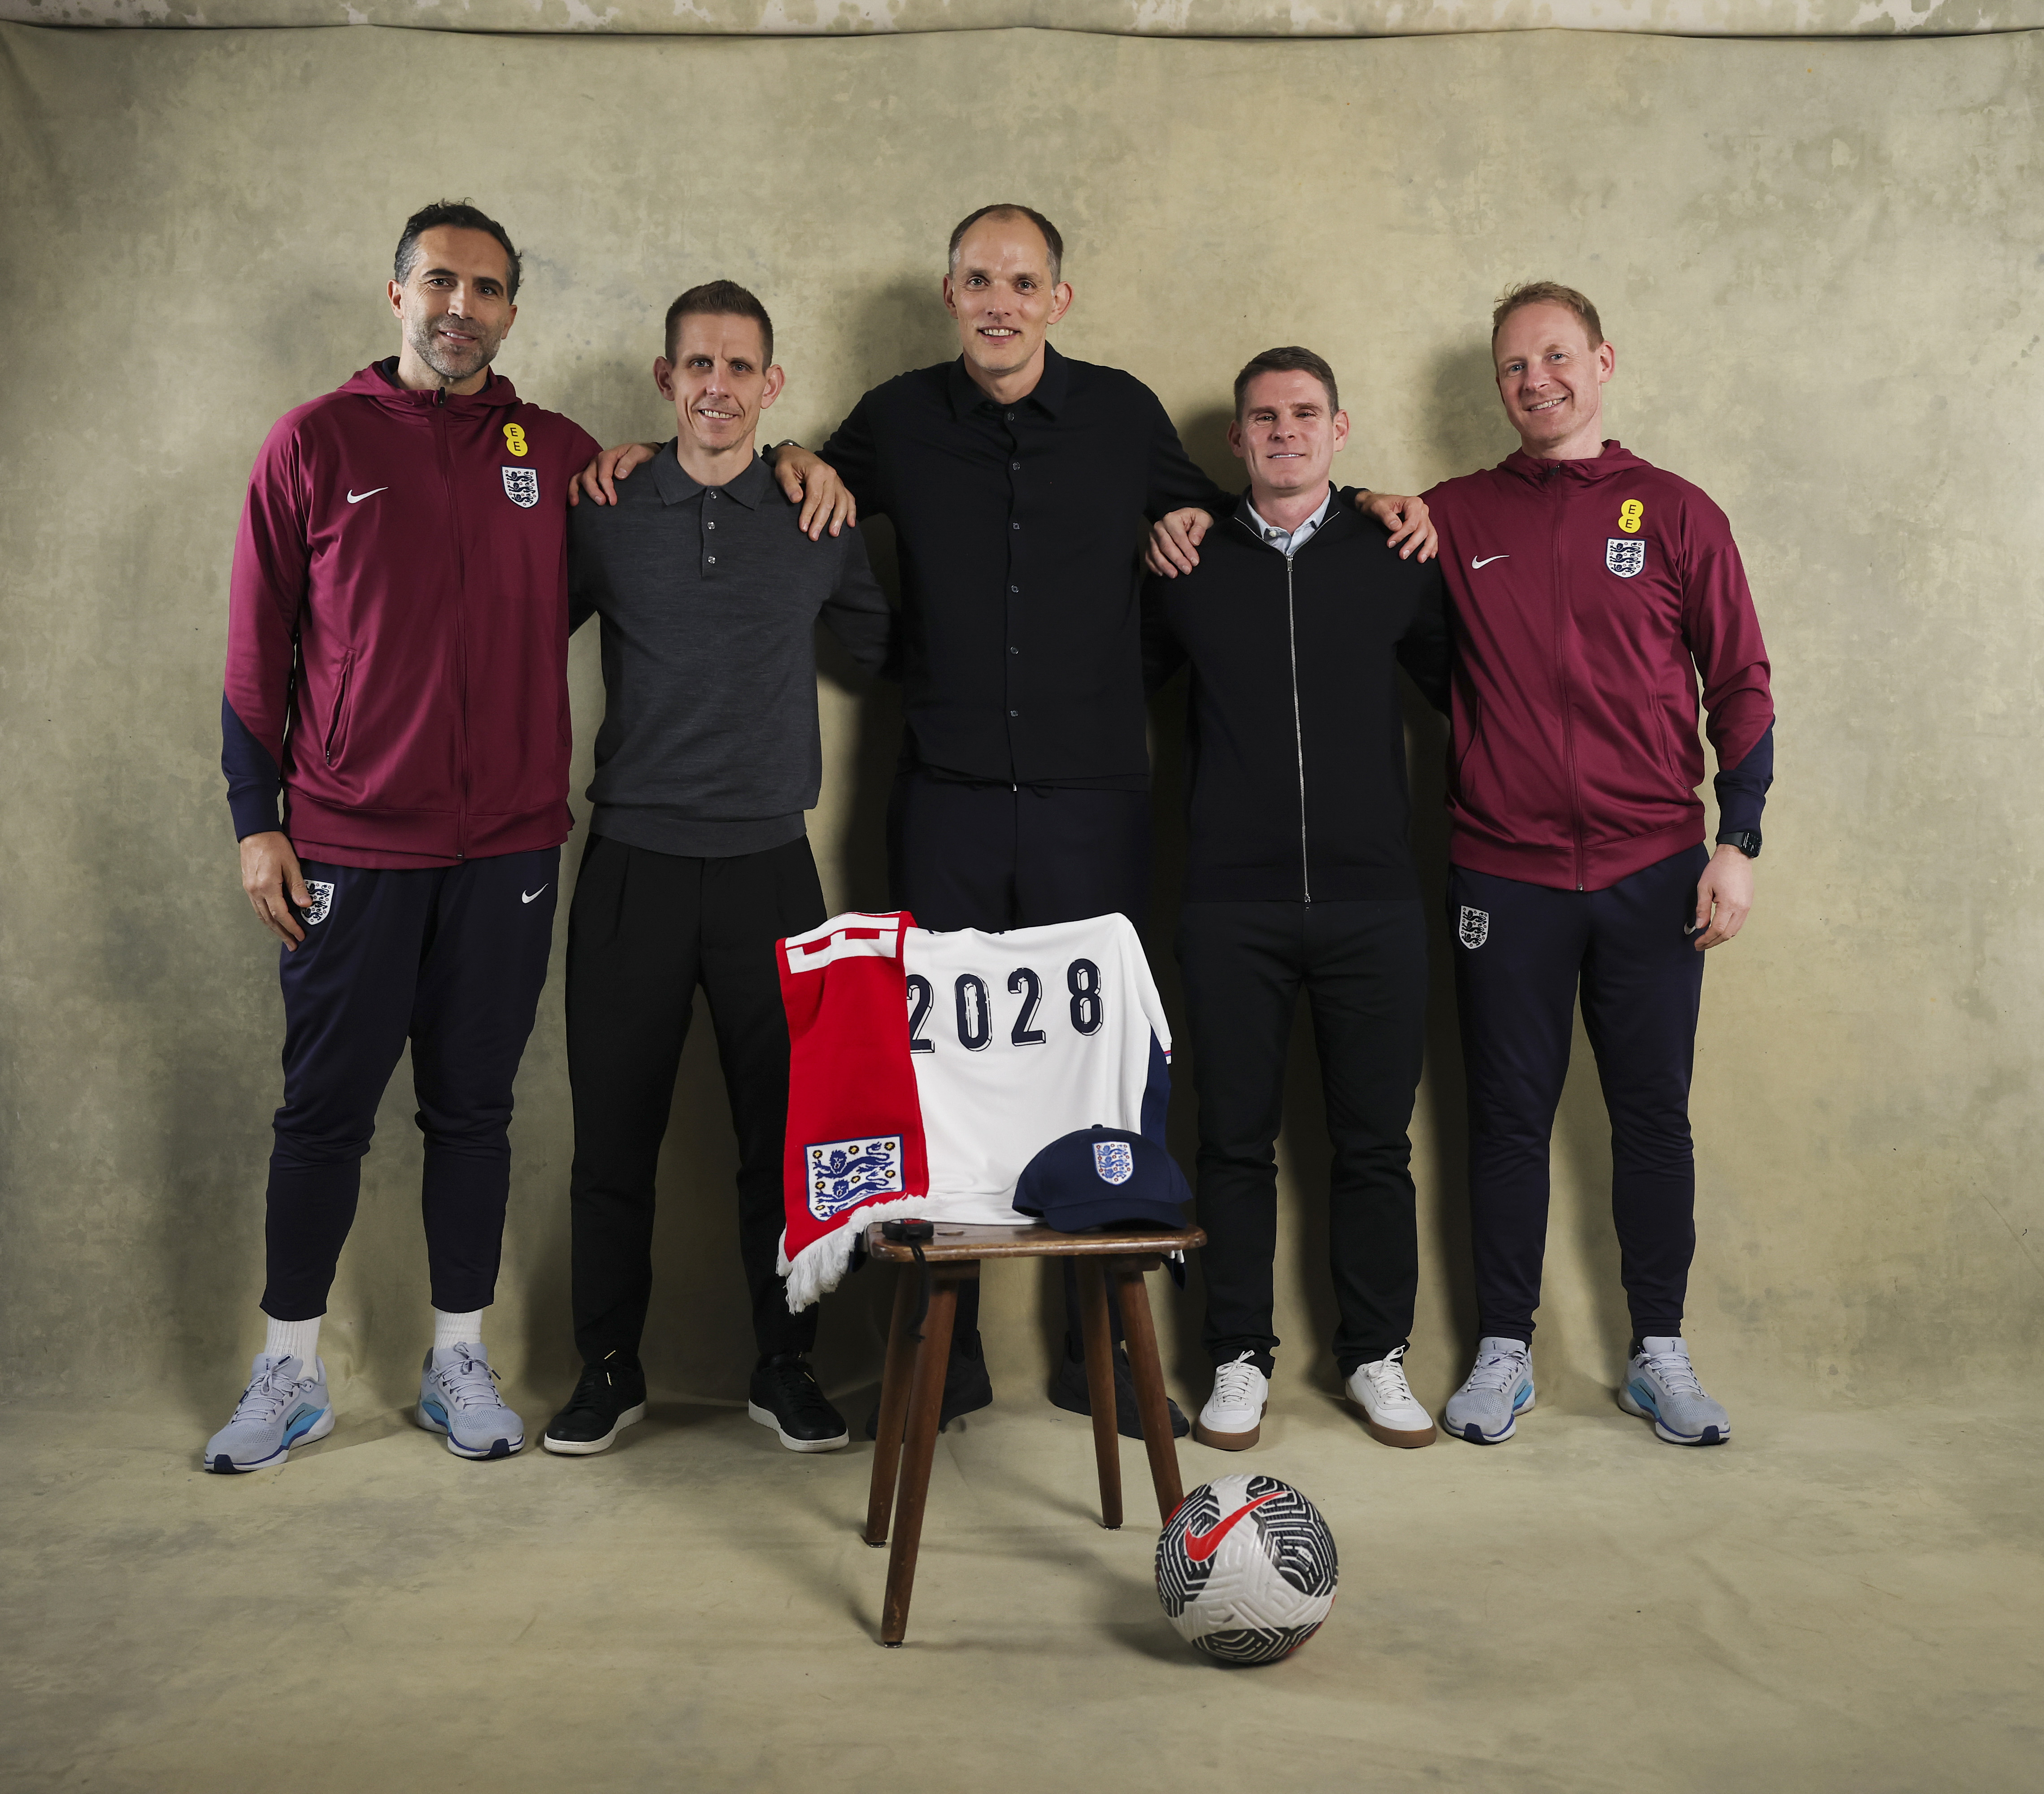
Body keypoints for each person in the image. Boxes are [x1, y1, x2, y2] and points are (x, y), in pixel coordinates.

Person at [579, 204, 1438, 1438]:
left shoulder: (1122, 416)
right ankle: (948, 1358)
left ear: (1056, 300)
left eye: (1021, 282)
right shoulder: (892, 420)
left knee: (1103, 1071)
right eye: (979, 280)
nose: (999, 301)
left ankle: (1101, 1354)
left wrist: (1363, 503)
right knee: (934, 1074)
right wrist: (745, 454)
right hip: (947, 797)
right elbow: (782, 472)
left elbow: (1257, 512)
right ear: (950, 294)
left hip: (1096, 801)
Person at [1160, 283, 1774, 1447]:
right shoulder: (1443, 516)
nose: (1536, 380)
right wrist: (1259, 511)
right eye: (1513, 366)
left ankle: (1657, 1349)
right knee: (1501, 1120)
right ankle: (1501, 1349)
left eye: (1555, 357)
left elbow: (1740, 681)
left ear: (1600, 361)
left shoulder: (1675, 512)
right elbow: (1350, 545)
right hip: (1503, 873)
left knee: (1651, 1117)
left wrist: (1734, 840)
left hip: (1652, 863)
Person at [207, 201, 600, 1472]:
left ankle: (456, 1362)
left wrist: (795, 459)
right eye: (438, 282)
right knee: (322, 1113)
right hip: (348, 843)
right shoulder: (314, 442)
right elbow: (256, 649)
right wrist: (255, 820)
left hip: (509, 848)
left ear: (510, 312)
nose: (459, 308)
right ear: (397, 296)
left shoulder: (556, 452)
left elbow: (671, 504)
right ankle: (287, 1371)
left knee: (473, 1111)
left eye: (485, 289)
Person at [542, 282, 894, 1459]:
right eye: (697, 364)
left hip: (768, 870)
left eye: (741, 367)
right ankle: (606, 1367)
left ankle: (784, 1366)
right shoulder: (605, 510)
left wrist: (814, 468)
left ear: (771, 385)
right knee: (612, 1144)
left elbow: (889, 649)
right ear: (665, 378)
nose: (717, 386)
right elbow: (511, 636)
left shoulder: (814, 517)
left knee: (784, 1146)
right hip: (631, 867)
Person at [1143, 347, 1449, 1453]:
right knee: (1232, 1142)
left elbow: (1470, 689)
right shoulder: (1184, 559)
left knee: (1374, 1145)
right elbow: (1110, 686)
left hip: (1373, 899)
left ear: (1338, 429)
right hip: (1231, 903)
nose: (1284, 431)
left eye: (1304, 413)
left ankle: (1375, 1354)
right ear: (1235, 440)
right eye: (1263, 417)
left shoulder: (1393, 551)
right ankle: (1236, 1355)